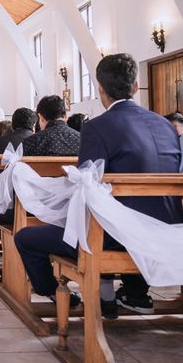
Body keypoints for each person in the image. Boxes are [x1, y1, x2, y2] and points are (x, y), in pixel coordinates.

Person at [15, 53, 183, 319]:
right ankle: (135, 295)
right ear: (136, 86)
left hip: (117, 236)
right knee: (127, 211)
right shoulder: (166, 126)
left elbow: (86, 189)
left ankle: (63, 297)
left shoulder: (98, 128)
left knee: (26, 238)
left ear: (100, 89)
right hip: (172, 229)